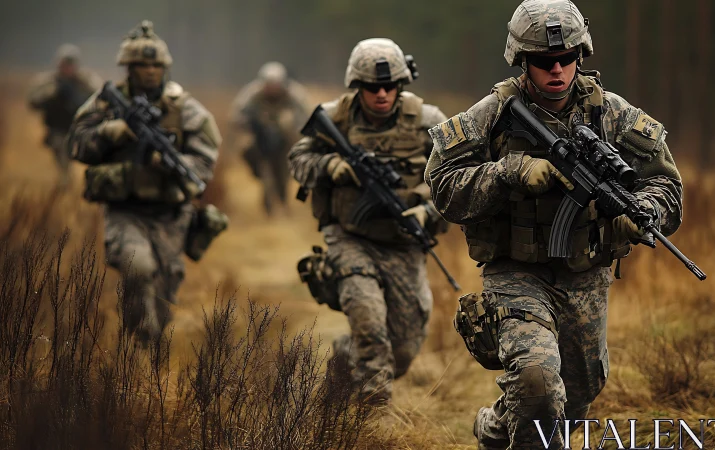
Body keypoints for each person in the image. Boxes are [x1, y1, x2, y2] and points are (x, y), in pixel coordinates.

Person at [424, 0, 683, 447]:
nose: (557, 69)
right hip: (514, 270)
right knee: (538, 381)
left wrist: (645, 212)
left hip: (586, 273)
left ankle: (497, 426)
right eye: (544, 61)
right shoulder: (493, 114)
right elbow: (443, 186)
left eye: (567, 58)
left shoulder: (613, 115)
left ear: (581, 55)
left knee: (577, 394)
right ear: (522, 61)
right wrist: (510, 173)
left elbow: (665, 184)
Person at [288, 38, 448, 405]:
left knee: (402, 352)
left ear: (401, 85)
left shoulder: (429, 121)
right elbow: (298, 158)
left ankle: (345, 356)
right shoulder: (335, 119)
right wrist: (331, 166)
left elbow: (455, 178)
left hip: (404, 244)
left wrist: (427, 210)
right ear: (357, 87)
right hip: (349, 238)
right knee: (371, 326)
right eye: (372, 87)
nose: (381, 93)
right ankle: (369, 423)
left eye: (389, 86)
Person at [67, 21, 223, 344]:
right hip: (125, 210)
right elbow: (76, 144)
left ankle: (150, 357)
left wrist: (172, 165)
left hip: (171, 214)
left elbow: (206, 158)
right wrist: (110, 132)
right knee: (138, 270)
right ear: (128, 67)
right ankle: (139, 355)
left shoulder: (184, 108)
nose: (150, 71)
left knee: (164, 298)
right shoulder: (106, 103)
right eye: (142, 65)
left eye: (156, 65)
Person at [228, 62, 310, 215]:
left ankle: (283, 200)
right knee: (249, 151)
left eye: (276, 85)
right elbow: (236, 115)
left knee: (284, 171)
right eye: (269, 85)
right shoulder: (252, 94)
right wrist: (253, 126)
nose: (272, 88)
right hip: (261, 141)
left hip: (285, 141)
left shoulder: (294, 94)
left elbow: (305, 117)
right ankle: (261, 180)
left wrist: (290, 127)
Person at [28, 44, 102, 185]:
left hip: (80, 130)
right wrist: (53, 93)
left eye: (71, 64)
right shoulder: (50, 82)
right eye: (64, 64)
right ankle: (65, 186)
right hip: (58, 130)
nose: (67, 68)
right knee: (63, 163)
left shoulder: (84, 81)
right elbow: (33, 101)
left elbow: (99, 96)